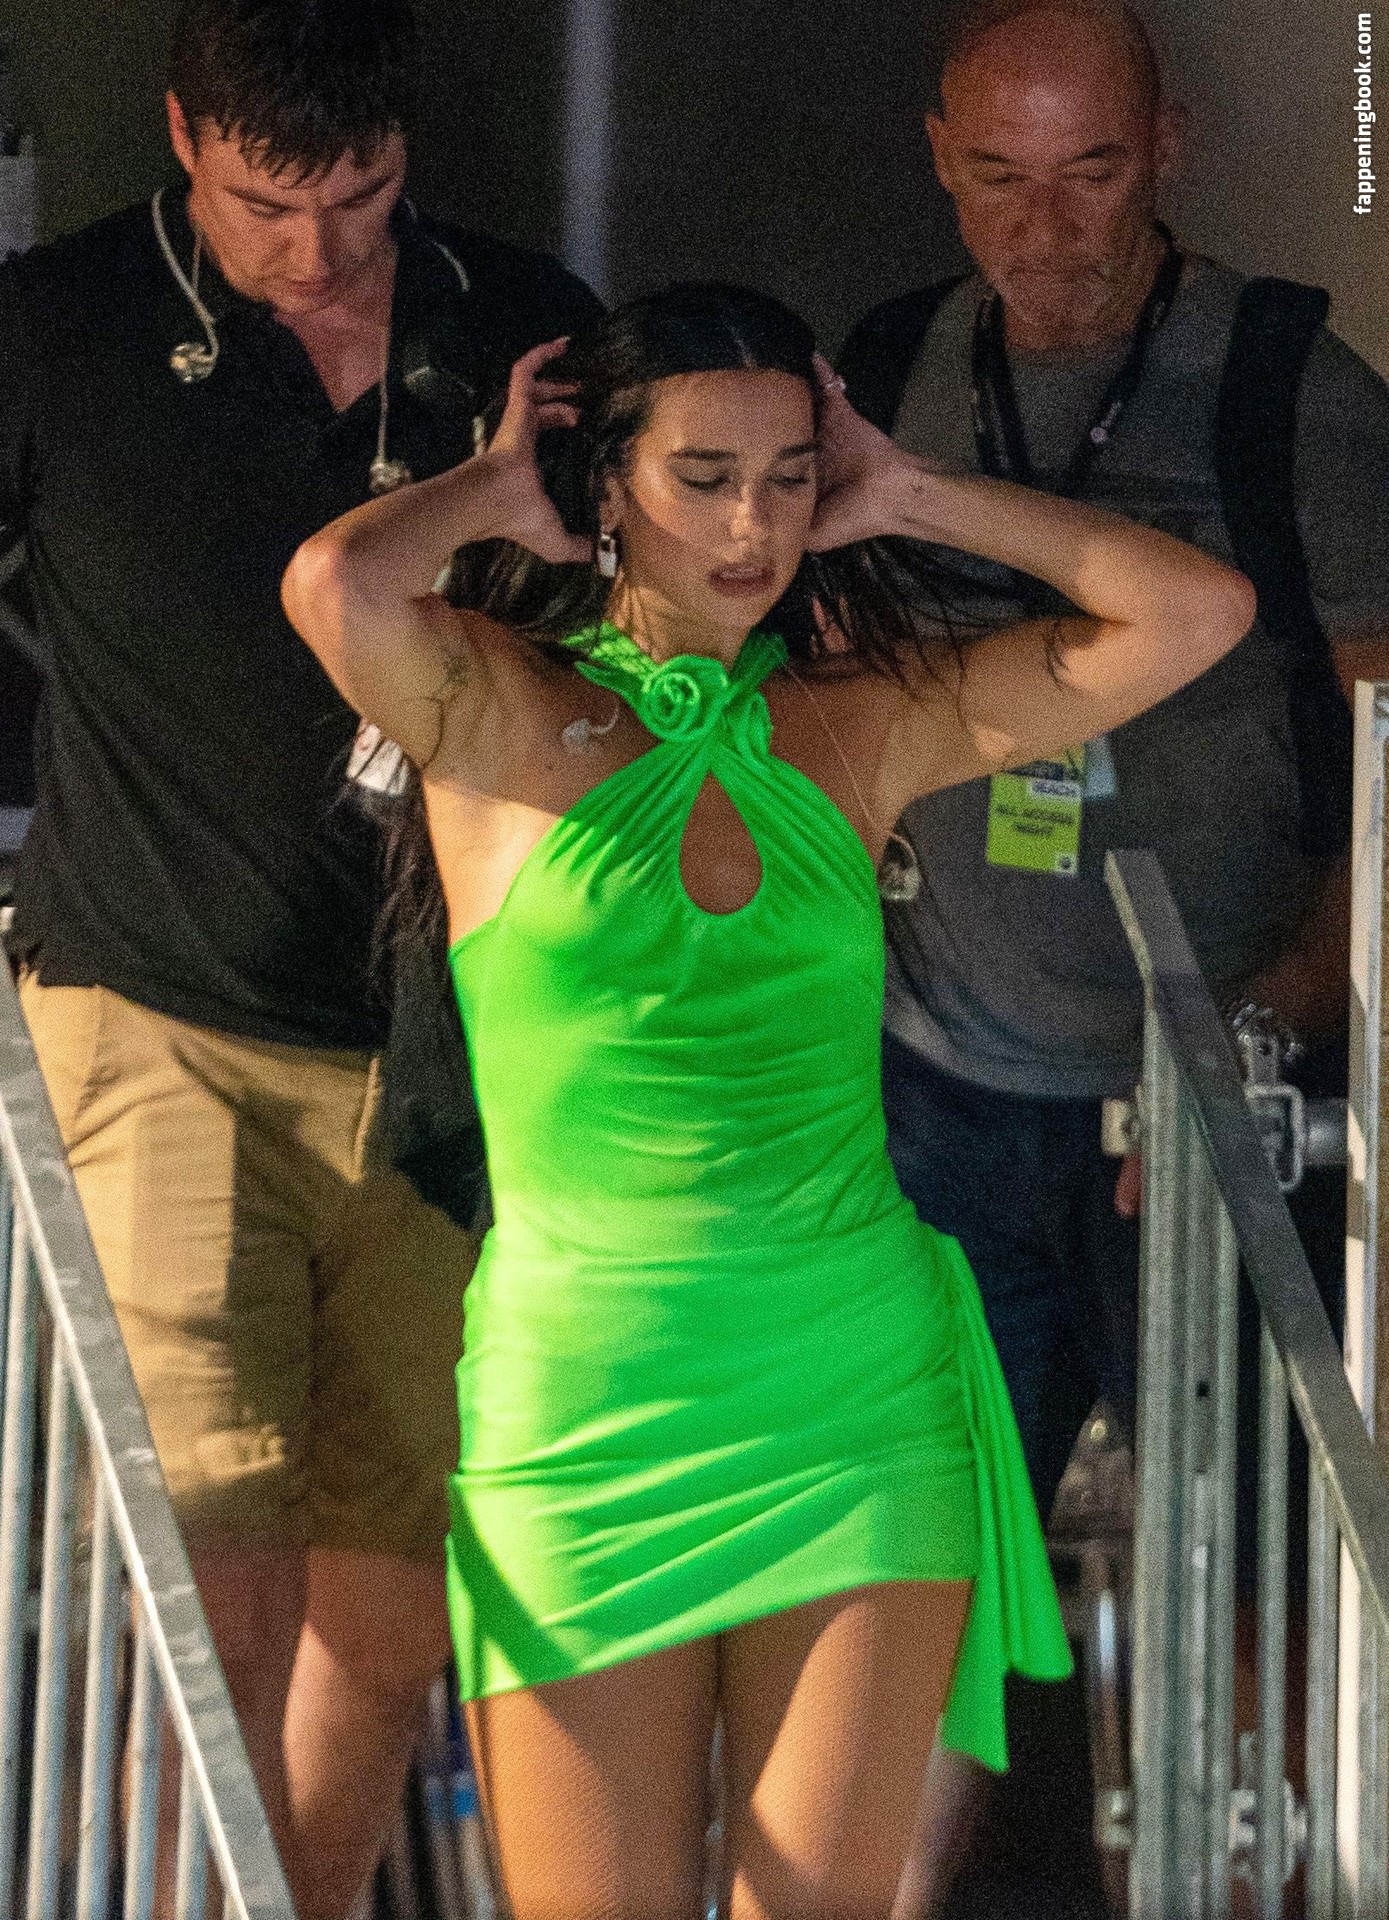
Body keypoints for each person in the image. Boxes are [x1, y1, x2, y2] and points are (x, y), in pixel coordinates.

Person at [282, 281, 1253, 1919]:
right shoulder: (492, 702)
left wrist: (914, 490)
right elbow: (334, 581)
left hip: (855, 1394)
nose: (753, 525)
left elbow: (1191, 611)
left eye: (790, 477)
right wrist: (492, 487)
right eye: (704, 477)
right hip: (585, 1407)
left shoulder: (856, 717)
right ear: (606, 484)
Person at [0, 2, 597, 1911]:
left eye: (362, 199)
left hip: (448, 1039)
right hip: (156, 1016)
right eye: (267, 207)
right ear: (181, 133)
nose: (319, 252)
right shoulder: (55, 325)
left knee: (393, 1587)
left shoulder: (522, 325)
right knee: (211, 1581)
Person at [839, 0, 1389, 1538]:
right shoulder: (891, 367)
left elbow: (1388, 744)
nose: (1046, 227)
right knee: (927, 1566)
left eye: (1088, 171)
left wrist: (1274, 1024)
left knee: (1248, 1560)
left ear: (1163, 149)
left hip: (1218, 1083)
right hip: (938, 1081)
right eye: (998, 177)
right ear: (938, 160)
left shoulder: (1288, 388)